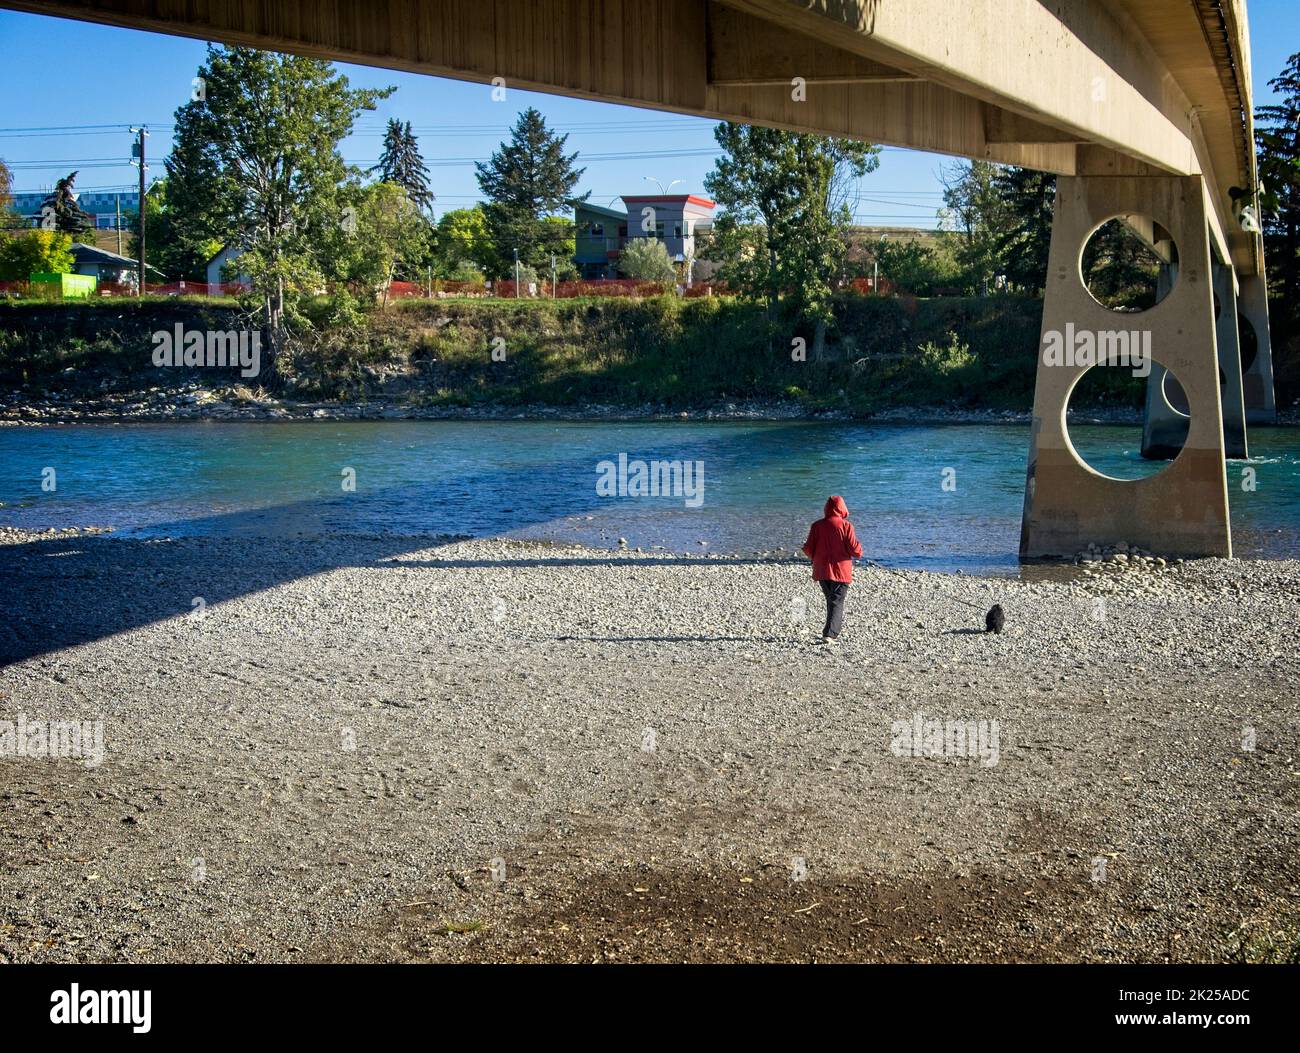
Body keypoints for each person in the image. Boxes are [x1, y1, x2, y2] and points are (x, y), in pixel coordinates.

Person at [801, 495, 863, 642]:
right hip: (841, 570)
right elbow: (855, 549)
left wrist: (816, 558)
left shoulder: (817, 526)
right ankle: (830, 634)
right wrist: (859, 552)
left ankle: (829, 631)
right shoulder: (846, 525)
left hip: (821, 569)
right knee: (836, 601)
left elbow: (808, 548)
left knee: (832, 600)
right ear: (842, 508)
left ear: (827, 508)